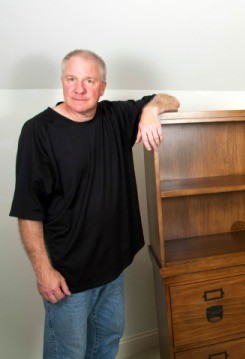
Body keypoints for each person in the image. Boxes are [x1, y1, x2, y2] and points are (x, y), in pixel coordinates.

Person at [9, 49, 180, 358]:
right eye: (72, 79)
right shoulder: (38, 132)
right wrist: (43, 271)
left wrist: (151, 111)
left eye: (89, 80)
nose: (79, 88)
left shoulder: (115, 116)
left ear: (102, 87)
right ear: (61, 82)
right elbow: (27, 210)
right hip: (68, 279)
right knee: (68, 353)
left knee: (105, 347)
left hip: (113, 271)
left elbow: (170, 99)